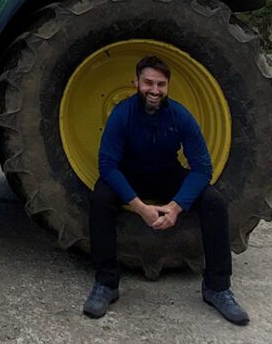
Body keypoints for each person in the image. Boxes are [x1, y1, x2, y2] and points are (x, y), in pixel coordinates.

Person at [83, 54, 250, 325]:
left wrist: (176, 206)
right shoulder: (122, 114)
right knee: (101, 197)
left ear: (167, 86)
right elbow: (108, 166)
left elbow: (202, 169)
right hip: (130, 173)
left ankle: (217, 288)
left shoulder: (181, 116)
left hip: (166, 173)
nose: (154, 90)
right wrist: (140, 207)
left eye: (161, 84)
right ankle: (106, 283)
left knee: (214, 202)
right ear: (136, 82)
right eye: (148, 83)